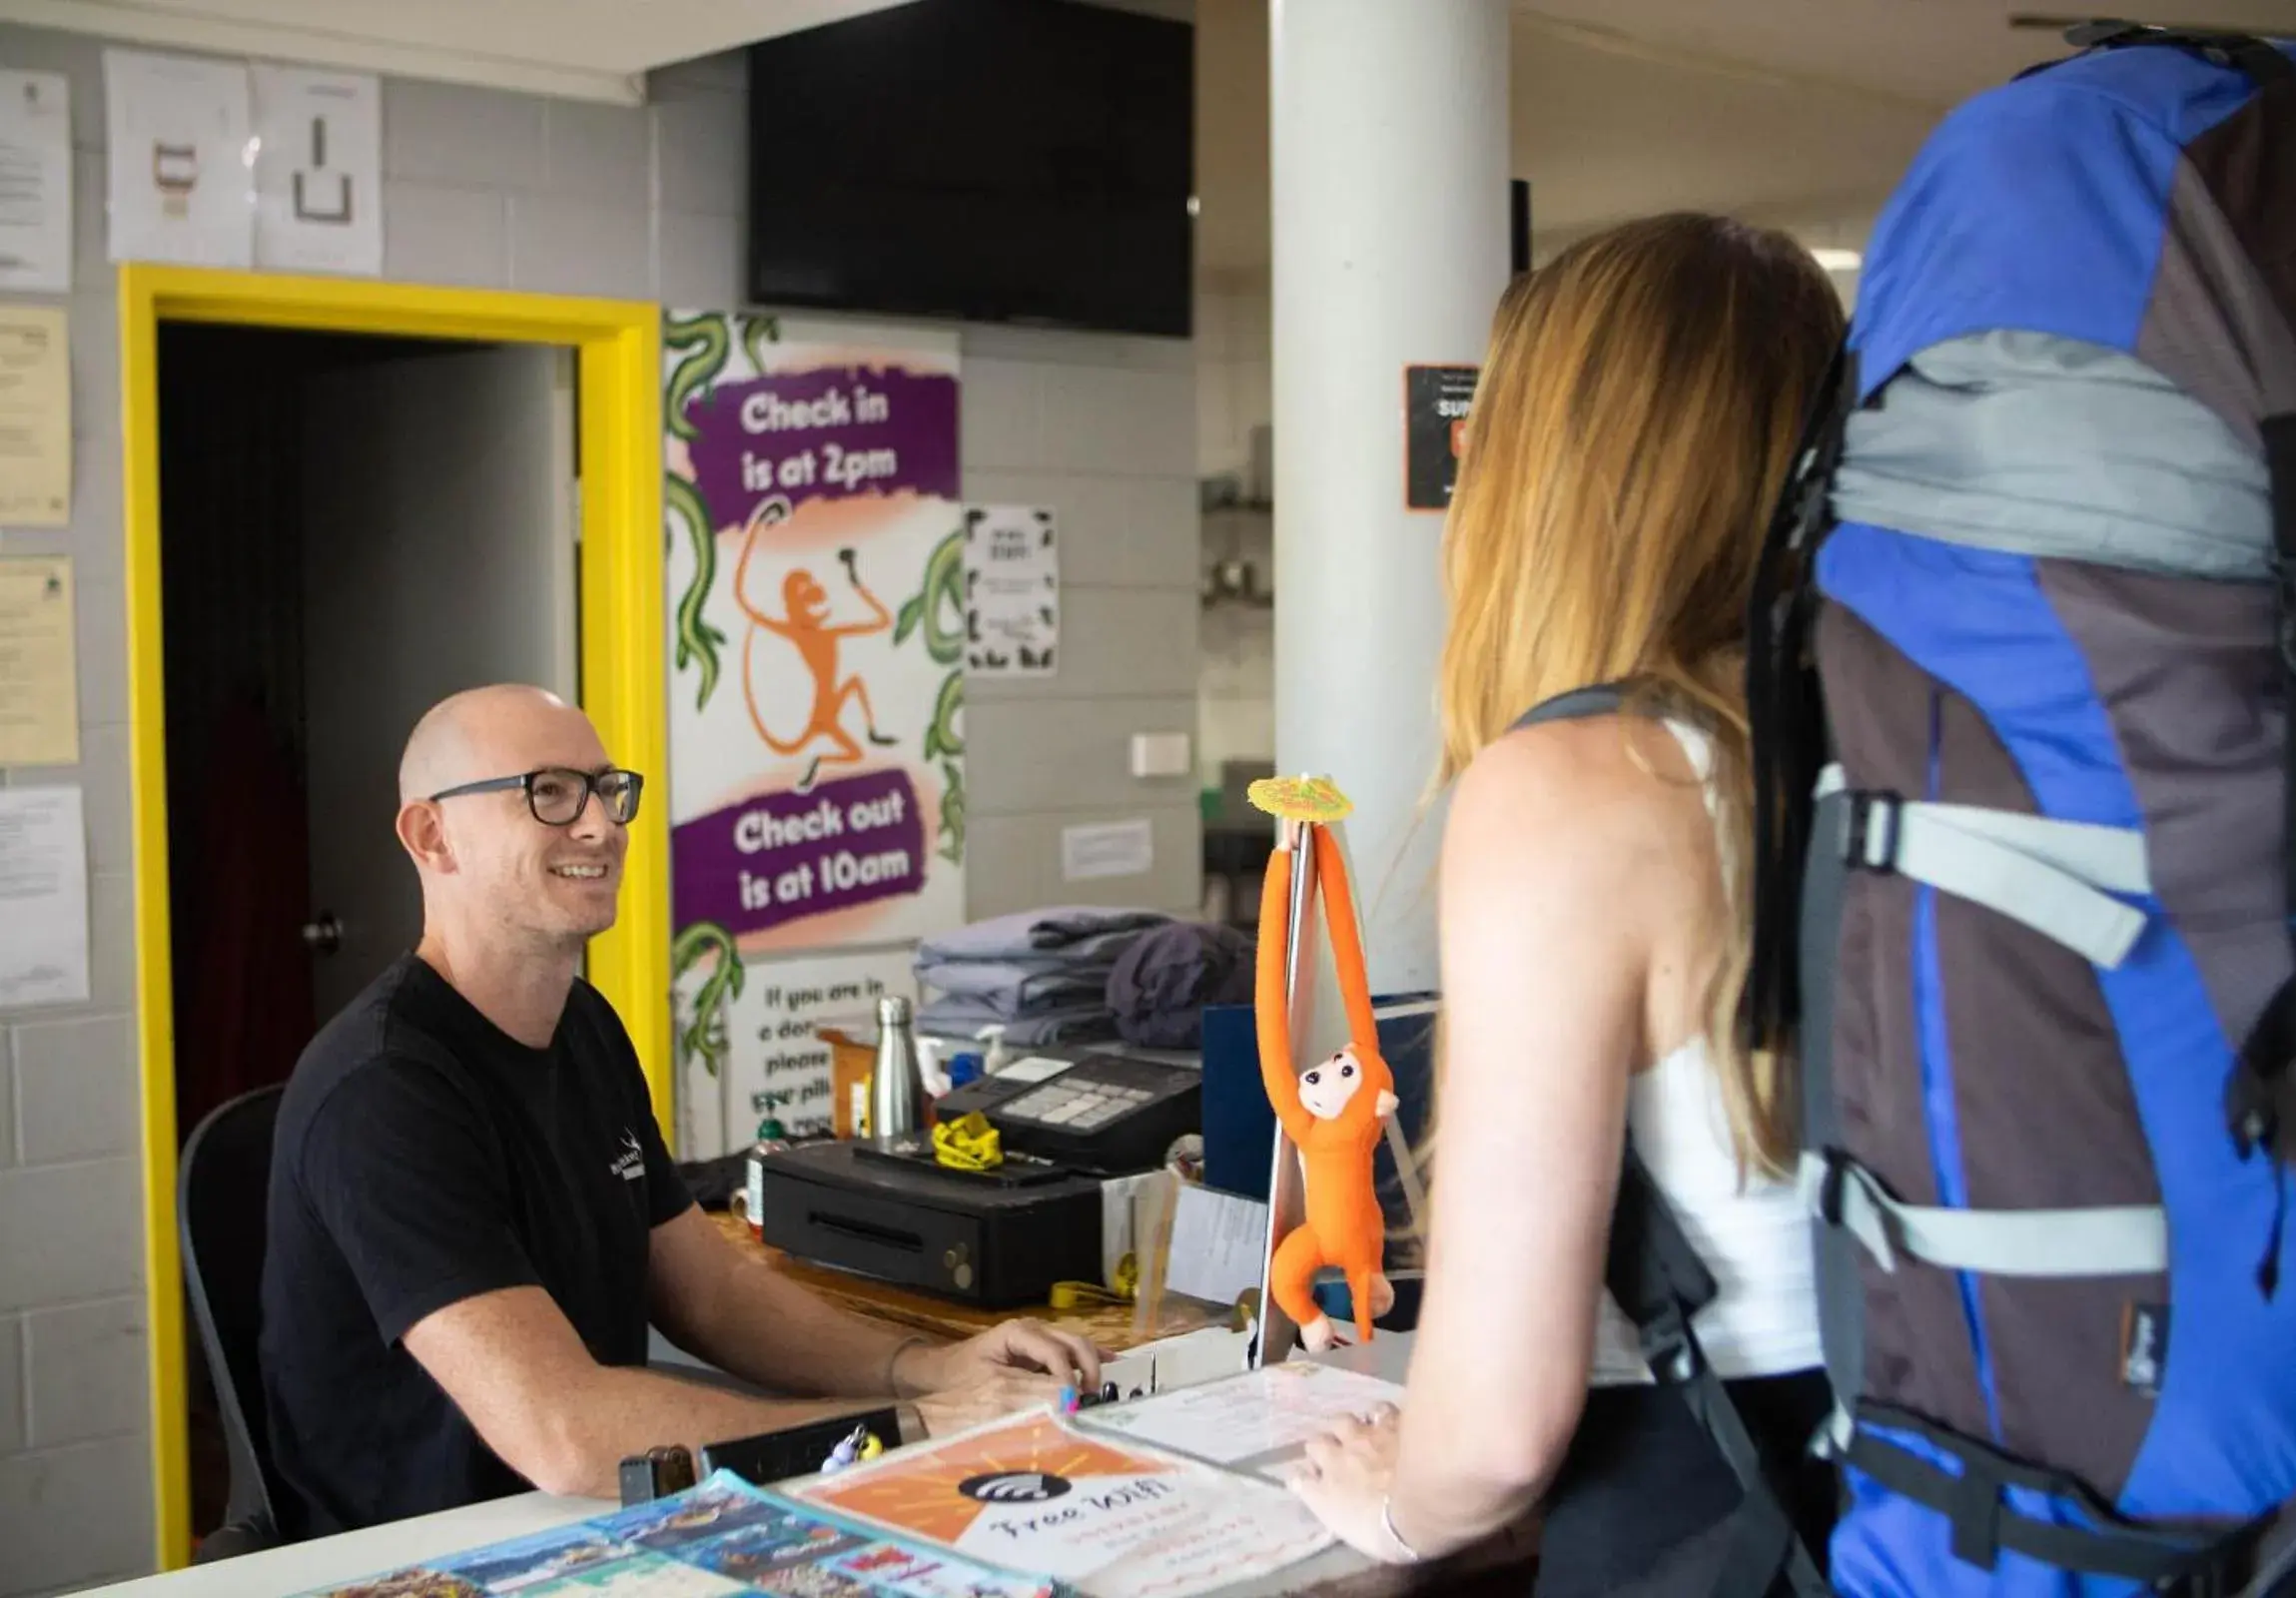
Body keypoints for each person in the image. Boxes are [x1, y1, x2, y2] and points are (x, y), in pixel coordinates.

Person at [1286, 216, 1848, 1592]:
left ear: (1554, 476)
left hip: (1725, 1518)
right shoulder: (1917, 733)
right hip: (1958, 1503)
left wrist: (1401, 1500)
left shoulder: (1588, 782)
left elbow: (1497, 1432)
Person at [259, 684, 1100, 1540]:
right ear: (431, 836)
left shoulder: (582, 1026)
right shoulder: (383, 1088)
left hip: (590, 1525)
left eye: (606, 790)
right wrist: (915, 1429)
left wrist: (926, 1369)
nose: (600, 826)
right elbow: (566, 1432)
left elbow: (713, 1296)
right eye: (548, 792)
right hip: (430, 1557)